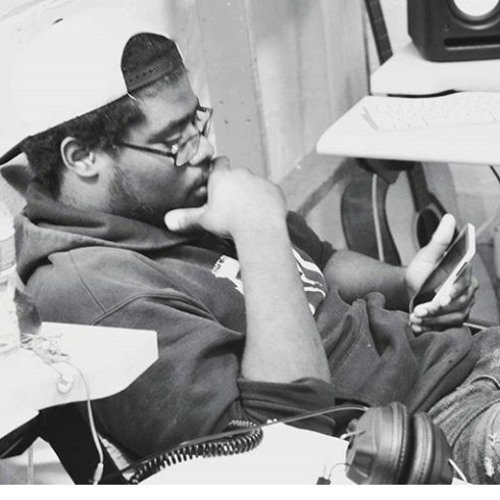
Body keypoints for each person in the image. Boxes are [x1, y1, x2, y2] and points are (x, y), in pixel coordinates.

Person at [2, 8, 499, 484]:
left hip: (464, 359)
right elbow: (277, 447)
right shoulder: (98, 295)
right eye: (175, 139)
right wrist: (257, 226)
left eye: (197, 121)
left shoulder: (168, 196)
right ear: (82, 157)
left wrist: (405, 283)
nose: (203, 148)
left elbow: (322, 264)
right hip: (427, 430)